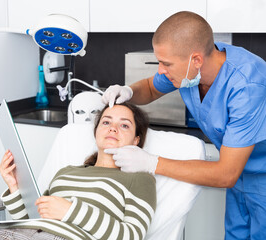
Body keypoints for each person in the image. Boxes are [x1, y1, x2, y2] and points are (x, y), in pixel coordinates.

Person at [102, 11, 266, 239]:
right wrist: (127, 91)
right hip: (240, 176)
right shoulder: (191, 67)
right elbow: (150, 88)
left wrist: (152, 163)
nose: (160, 70)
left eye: (166, 64)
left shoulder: (247, 86)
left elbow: (226, 173)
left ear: (196, 60)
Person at [0, 103, 156, 240]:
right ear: (96, 131)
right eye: (106, 122)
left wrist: (70, 211)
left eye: (124, 125)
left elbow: (131, 236)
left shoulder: (140, 178)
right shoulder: (66, 173)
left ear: (136, 140)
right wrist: (15, 187)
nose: (113, 128)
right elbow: (32, 223)